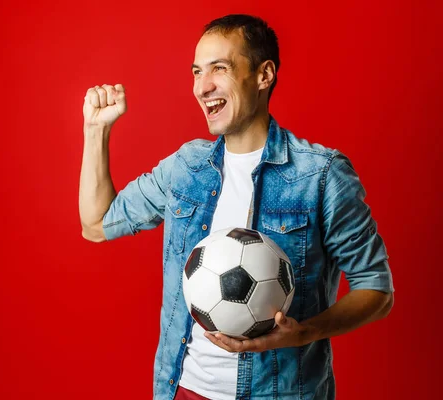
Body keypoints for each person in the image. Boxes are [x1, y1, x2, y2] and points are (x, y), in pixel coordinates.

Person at [78, 14, 394, 400]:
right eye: (196, 71)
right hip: (183, 389)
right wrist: (96, 131)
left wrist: (305, 332)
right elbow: (95, 224)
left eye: (220, 68)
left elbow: (376, 289)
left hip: (282, 392)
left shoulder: (321, 176)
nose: (202, 86)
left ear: (264, 75)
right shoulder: (186, 167)